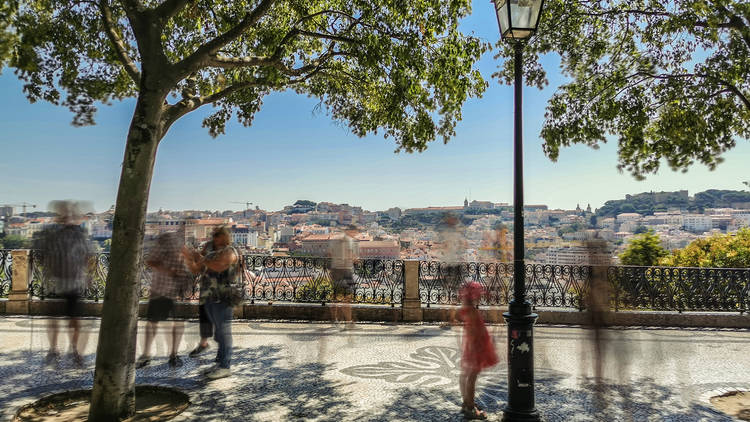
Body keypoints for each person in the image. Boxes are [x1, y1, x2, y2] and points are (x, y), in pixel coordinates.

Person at [36, 200, 93, 367]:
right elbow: (39, 253)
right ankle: (54, 349)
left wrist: (85, 272)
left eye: (69, 214)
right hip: (54, 282)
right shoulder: (50, 233)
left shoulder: (80, 233)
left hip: (73, 282)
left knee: (74, 320)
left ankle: (74, 350)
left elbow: (88, 255)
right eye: (63, 213)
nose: (67, 216)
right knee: (54, 320)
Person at [184, 226, 240, 380]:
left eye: (218, 235)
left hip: (223, 296)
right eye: (214, 235)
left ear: (225, 237)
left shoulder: (230, 251)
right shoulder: (209, 251)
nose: (215, 238)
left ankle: (225, 366)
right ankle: (220, 363)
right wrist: (188, 257)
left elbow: (220, 265)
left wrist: (200, 257)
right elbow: (196, 269)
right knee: (219, 333)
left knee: (223, 331)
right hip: (208, 296)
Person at [136, 232, 193, 368]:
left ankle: (171, 355)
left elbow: (190, 266)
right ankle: (149, 355)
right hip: (161, 291)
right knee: (154, 324)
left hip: (176, 292)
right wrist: (169, 271)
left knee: (175, 324)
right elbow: (150, 261)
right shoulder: (161, 246)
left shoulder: (181, 248)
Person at [457, 282, 498, 420]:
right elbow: (474, 331)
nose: (480, 297)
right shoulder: (472, 311)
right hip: (476, 348)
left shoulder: (467, 309)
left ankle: (467, 402)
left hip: (472, 347)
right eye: (478, 295)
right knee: (472, 377)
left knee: (467, 375)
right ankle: (470, 408)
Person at [328, 225, 359, 325]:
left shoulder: (334, 239)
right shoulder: (348, 240)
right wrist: (356, 260)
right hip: (345, 271)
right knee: (348, 298)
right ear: (350, 231)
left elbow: (329, 253)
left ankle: (334, 319)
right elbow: (349, 254)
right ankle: (348, 321)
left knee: (335, 296)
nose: (356, 234)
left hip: (335, 270)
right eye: (355, 232)